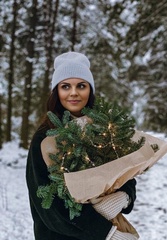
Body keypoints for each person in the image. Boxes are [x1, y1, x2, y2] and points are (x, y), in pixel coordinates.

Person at [26, 52, 138, 240]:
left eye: (81, 85)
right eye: (65, 86)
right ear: (56, 92)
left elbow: (126, 173)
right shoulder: (45, 138)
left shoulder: (104, 128)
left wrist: (124, 197)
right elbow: (49, 209)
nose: (74, 93)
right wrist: (108, 234)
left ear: (90, 90)